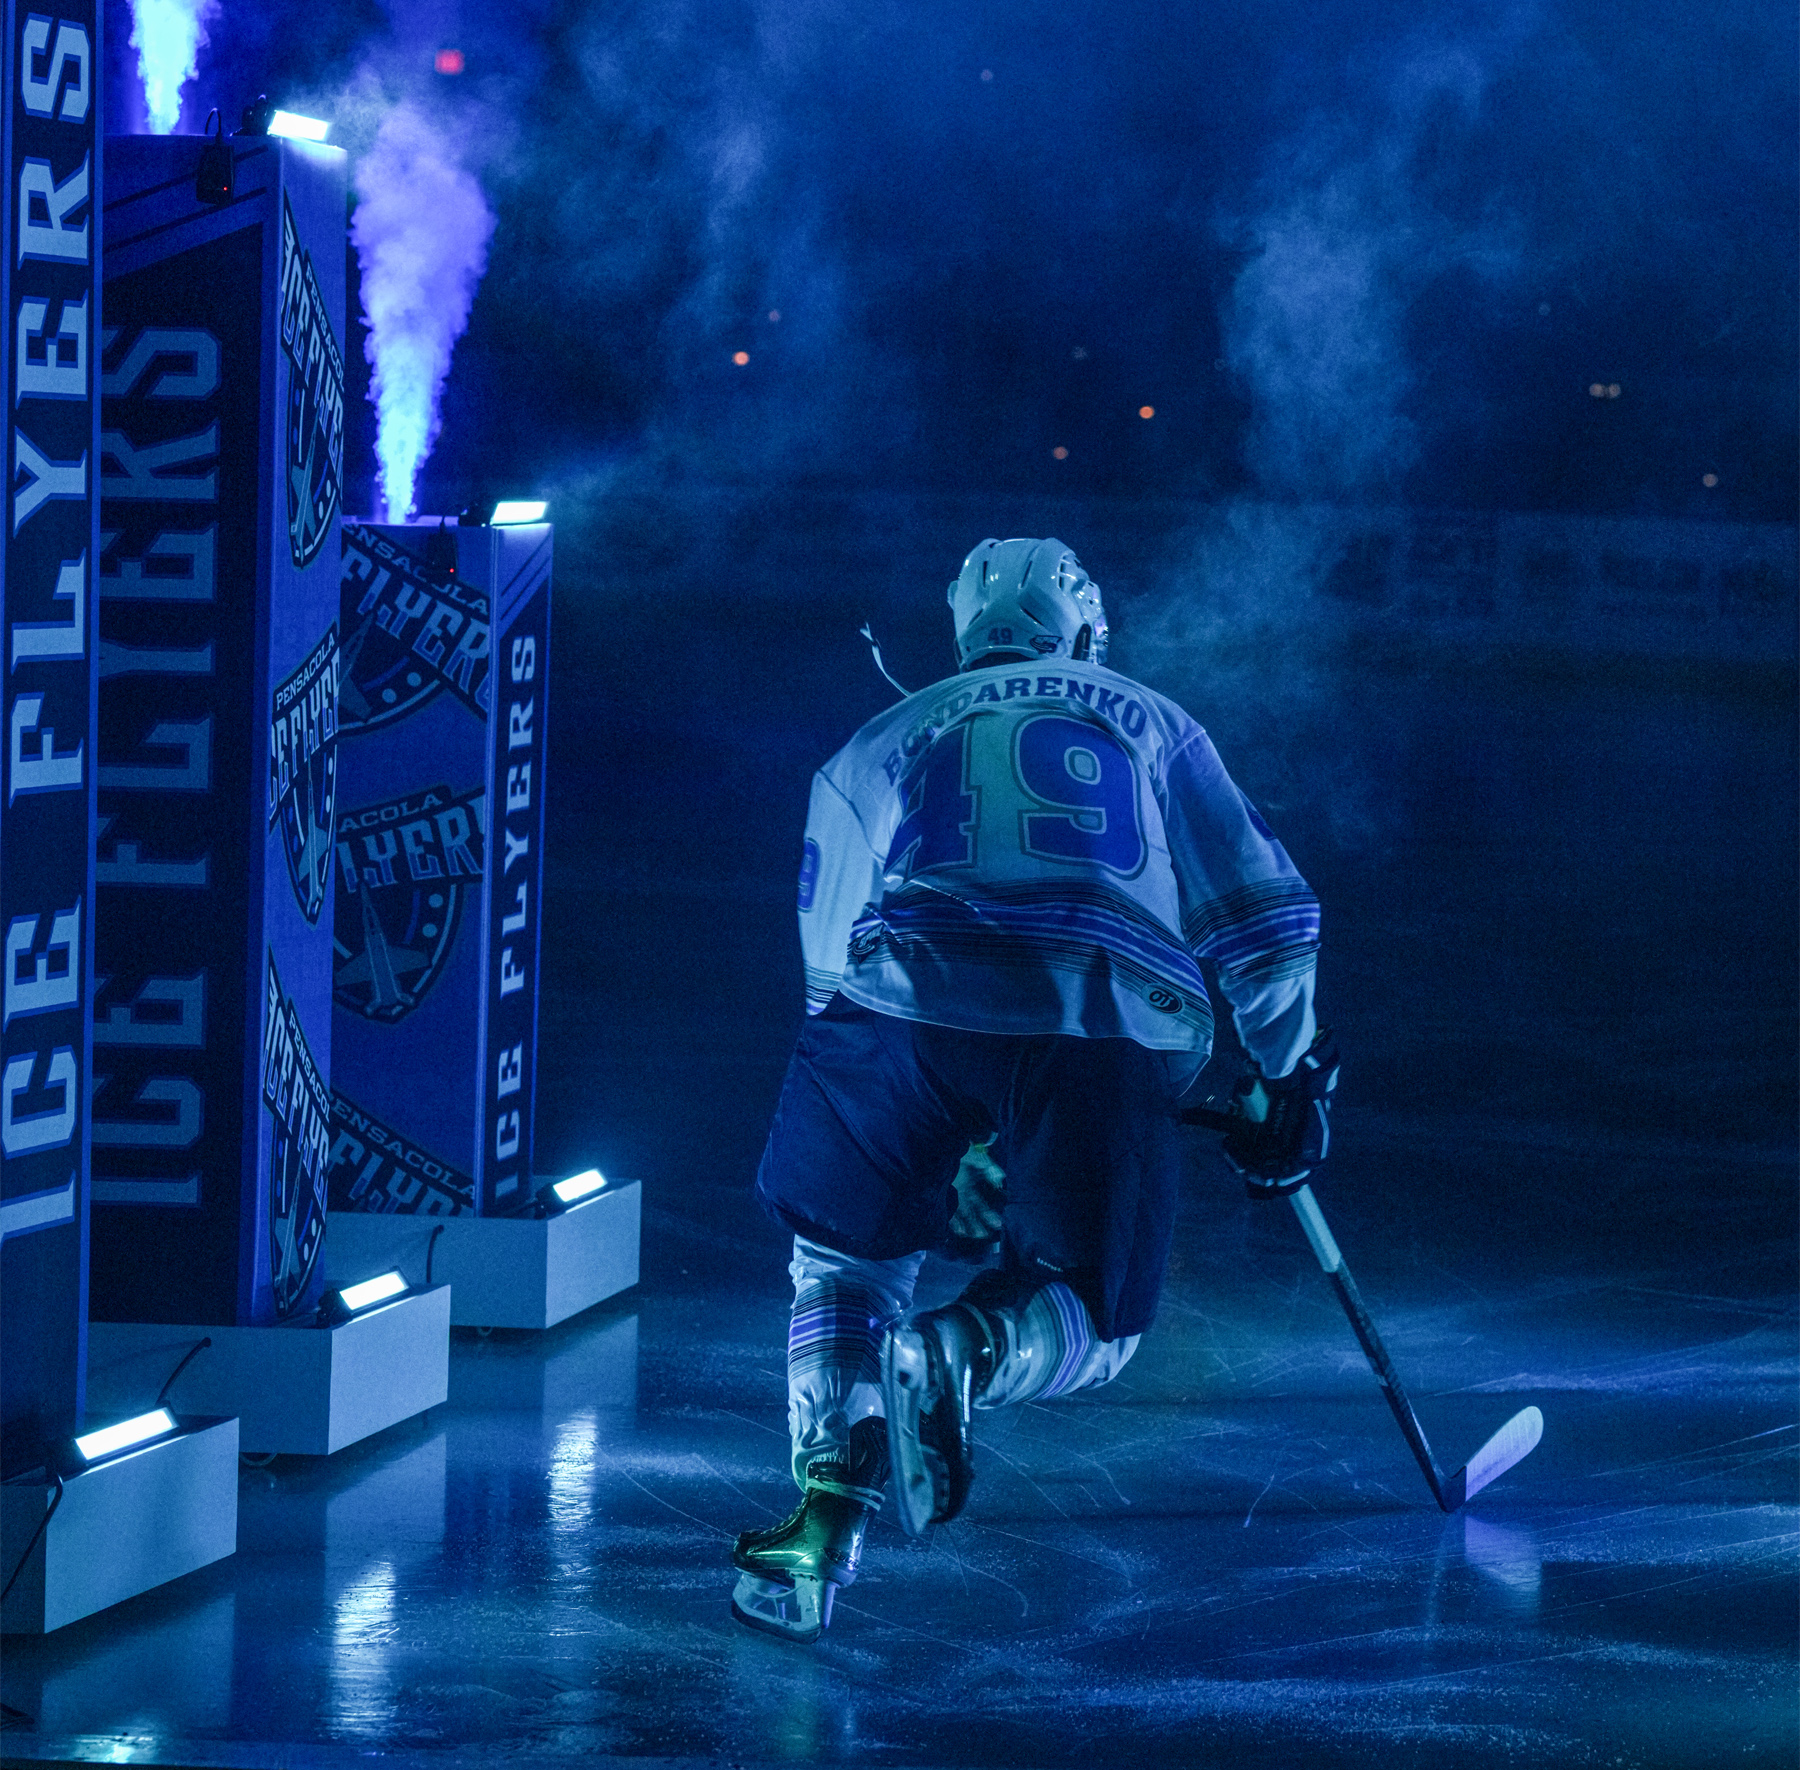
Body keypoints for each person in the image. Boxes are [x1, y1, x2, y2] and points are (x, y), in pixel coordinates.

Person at [731, 538, 1334, 1643]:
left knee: (845, 1260)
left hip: (898, 1005)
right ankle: (964, 1351)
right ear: (1084, 629)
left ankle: (824, 1516)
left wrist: (933, 1125)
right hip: (1096, 1015)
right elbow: (1264, 917)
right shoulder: (1150, 717)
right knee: (1093, 1313)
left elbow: (825, 960)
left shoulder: (882, 734)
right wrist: (1285, 1072)